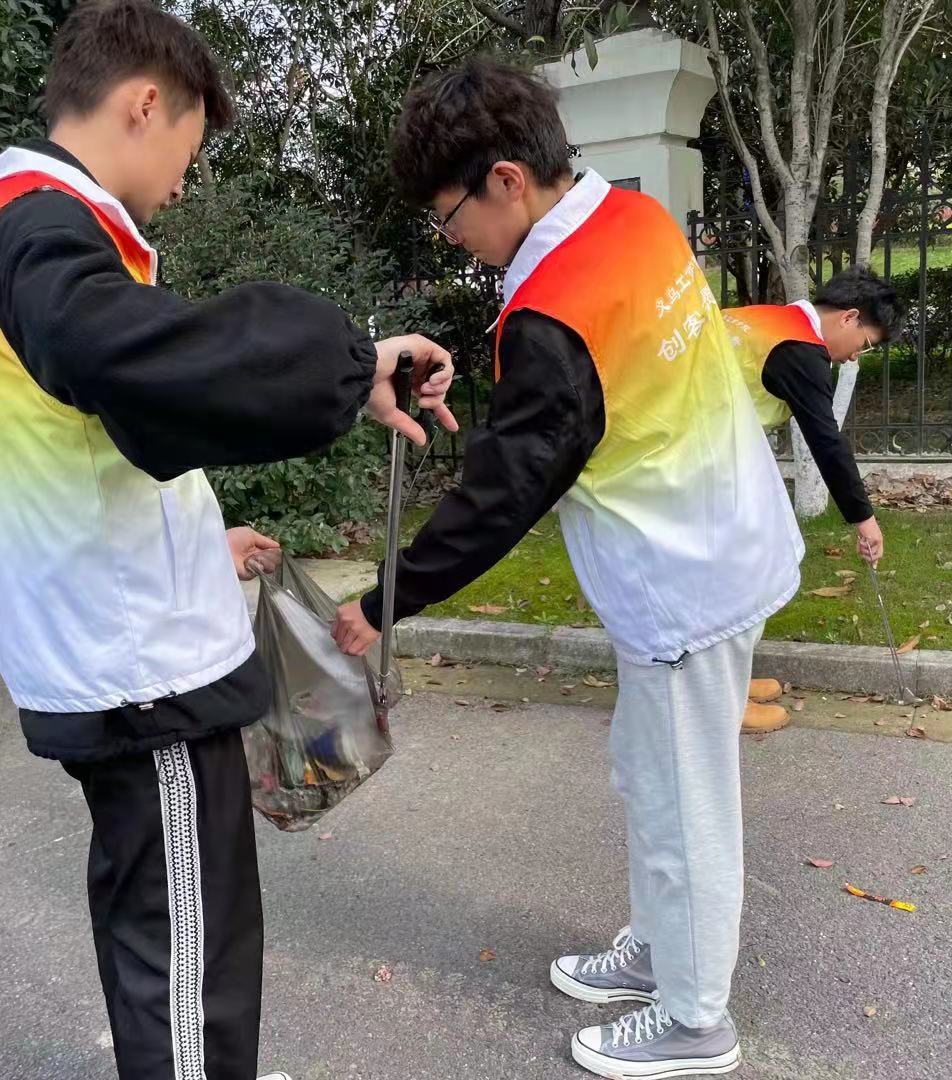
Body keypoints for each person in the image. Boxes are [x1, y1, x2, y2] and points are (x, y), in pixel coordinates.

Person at [0, 3, 455, 1078]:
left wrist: (199, 539)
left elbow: (89, 437)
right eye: (191, 145)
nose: (185, 181)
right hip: (141, 680)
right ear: (145, 104)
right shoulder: (40, 228)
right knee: (189, 959)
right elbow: (139, 365)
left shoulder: (23, 230)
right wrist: (344, 361)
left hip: (121, 652)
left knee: (173, 934)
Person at [331, 58, 800, 1078]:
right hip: (721, 540)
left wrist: (386, 599)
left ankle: (695, 1018)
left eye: (450, 217)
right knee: (651, 773)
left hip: (682, 585)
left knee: (685, 800)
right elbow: (578, 391)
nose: (453, 239)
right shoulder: (630, 220)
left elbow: (506, 491)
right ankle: (660, 949)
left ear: (505, 180)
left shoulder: (554, 310)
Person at [726, 268, 908, 731]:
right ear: (848, 317)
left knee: (752, 566)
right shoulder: (800, 352)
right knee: (735, 578)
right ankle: (719, 701)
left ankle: (728, 680)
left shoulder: (772, 319)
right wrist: (864, 519)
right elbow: (826, 442)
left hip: (702, 452)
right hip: (691, 461)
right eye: (865, 344)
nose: (855, 357)